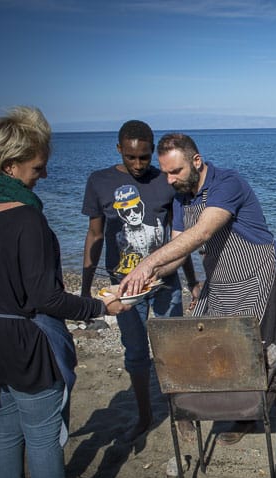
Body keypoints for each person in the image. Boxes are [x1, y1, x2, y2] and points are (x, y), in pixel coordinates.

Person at [0, 107, 128, 478]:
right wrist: (99, 308)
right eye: (37, 168)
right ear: (10, 166)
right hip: (25, 338)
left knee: (3, 429)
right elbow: (46, 297)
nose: (44, 176)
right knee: (41, 435)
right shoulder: (26, 217)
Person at [119, 133, 276, 447]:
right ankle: (246, 414)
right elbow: (178, 249)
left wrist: (147, 264)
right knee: (229, 352)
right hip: (222, 282)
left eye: (176, 172)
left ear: (197, 161)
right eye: (166, 173)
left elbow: (202, 233)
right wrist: (147, 279)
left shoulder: (228, 183)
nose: (169, 180)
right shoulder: (181, 194)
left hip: (261, 275)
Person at [81, 120, 199, 442]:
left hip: (165, 284)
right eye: (131, 157)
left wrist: (191, 280)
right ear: (119, 149)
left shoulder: (166, 181)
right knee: (135, 353)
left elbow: (181, 238)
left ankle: (181, 414)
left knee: (173, 348)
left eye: (144, 157)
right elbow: (93, 236)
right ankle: (145, 415)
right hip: (123, 287)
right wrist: (84, 292)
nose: (137, 164)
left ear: (152, 151)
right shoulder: (100, 181)